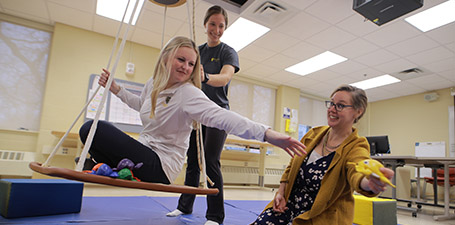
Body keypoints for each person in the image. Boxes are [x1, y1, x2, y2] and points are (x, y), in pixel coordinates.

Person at [79, 36, 306, 193]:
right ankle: (119, 168)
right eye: (181, 60)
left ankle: (117, 167)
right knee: (88, 131)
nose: (186, 67)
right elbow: (142, 106)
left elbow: (223, 117)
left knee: (93, 129)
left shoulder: (187, 93)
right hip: (144, 152)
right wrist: (116, 89)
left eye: (191, 64)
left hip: (161, 166)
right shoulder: (153, 83)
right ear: (167, 57)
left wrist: (267, 134)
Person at [251, 85, 395, 225]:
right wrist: (281, 193)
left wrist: (368, 183)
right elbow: (291, 167)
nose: (332, 109)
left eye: (340, 105)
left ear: (358, 112)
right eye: (331, 103)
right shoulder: (313, 134)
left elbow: (356, 170)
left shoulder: (357, 145)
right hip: (287, 206)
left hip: (320, 215)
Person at [166, 5, 239, 225]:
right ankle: (184, 206)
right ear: (205, 24)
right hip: (195, 114)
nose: (216, 30)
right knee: (192, 162)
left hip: (217, 114)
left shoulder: (228, 52)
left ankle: (215, 216)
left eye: (221, 26)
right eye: (213, 24)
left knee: (210, 161)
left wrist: (204, 76)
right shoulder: (196, 52)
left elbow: (225, 78)